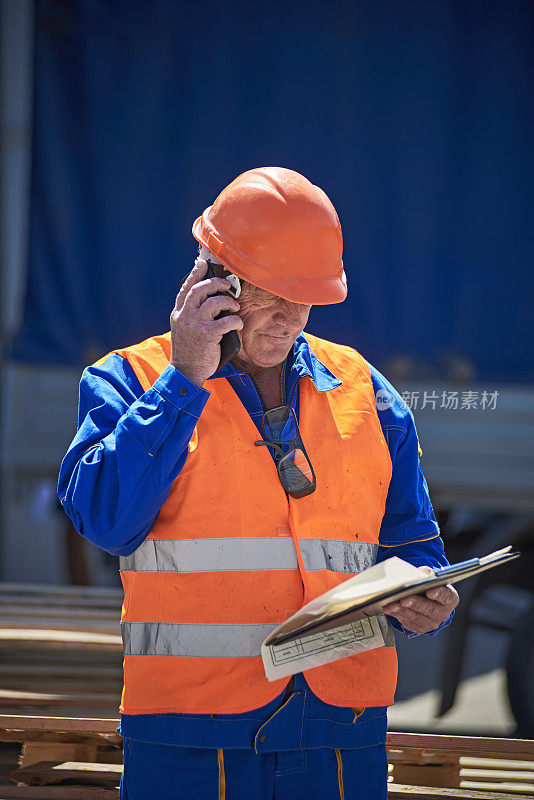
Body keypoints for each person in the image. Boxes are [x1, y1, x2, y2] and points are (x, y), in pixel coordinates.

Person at [58, 167, 459, 800]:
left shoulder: (365, 391)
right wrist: (185, 378)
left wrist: (424, 599)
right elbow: (106, 520)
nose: (288, 320)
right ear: (214, 280)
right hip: (189, 733)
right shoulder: (131, 379)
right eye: (271, 296)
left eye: (305, 300)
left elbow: (413, 544)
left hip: (340, 729)